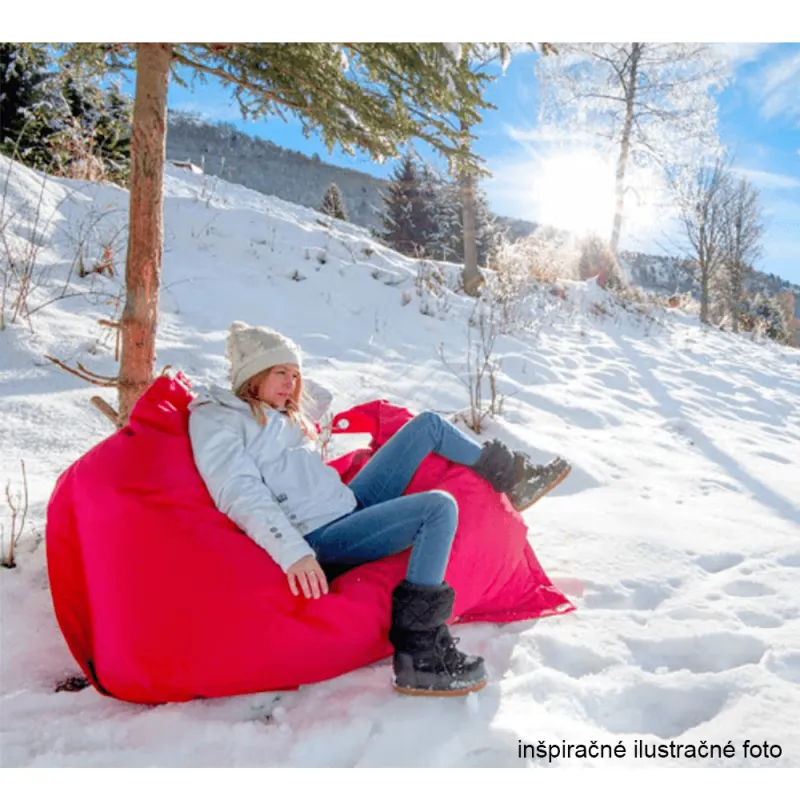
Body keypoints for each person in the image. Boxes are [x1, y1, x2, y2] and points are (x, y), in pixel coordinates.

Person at [187, 321, 571, 697]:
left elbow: (316, 403)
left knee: (428, 426)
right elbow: (238, 491)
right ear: (252, 376)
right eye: (280, 372)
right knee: (437, 508)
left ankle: (513, 479)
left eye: (294, 374)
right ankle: (419, 655)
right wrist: (294, 554)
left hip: (347, 504)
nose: (291, 382)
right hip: (319, 537)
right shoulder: (218, 417)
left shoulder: (279, 414)